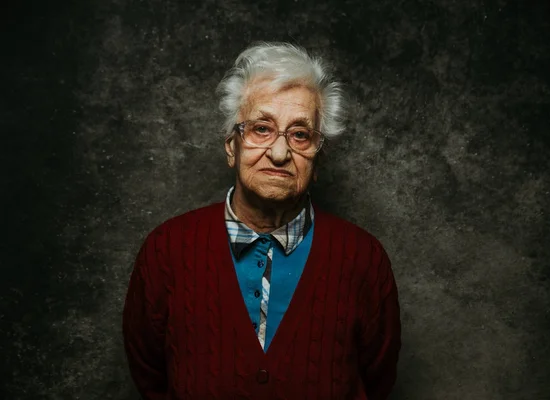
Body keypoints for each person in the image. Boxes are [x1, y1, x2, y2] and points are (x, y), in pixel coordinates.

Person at [122, 42, 401, 400]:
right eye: (261, 129)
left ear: (318, 157)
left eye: (300, 135)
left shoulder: (363, 258)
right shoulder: (167, 249)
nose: (281, 152)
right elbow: (149, 372)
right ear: (230, 146)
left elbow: (377, 379)